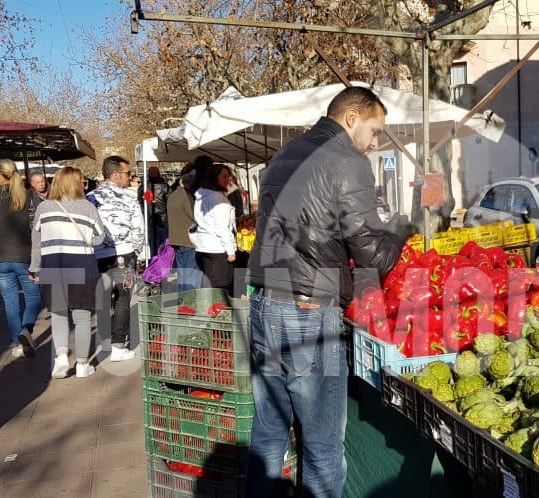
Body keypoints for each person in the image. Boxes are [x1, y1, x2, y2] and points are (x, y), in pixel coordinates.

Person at [246, 86, 408, 498]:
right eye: (374, 132)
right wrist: (404, 230)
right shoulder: (346, 160)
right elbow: (371, 252)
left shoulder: (284, 154)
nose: (375, 144)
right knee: (321, 450)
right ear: (351, 118)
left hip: (265, 301)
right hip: (308, 310)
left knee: (268, 434)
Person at [30, 167, 106, 378]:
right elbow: (100, 237)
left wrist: (35, 268)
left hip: (53, 264)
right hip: (81, 263)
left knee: (58, 314)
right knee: (82, 316)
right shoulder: (88, 207)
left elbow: (36, 241)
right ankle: (82, 364)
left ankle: (61, 357)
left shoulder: (44, 207)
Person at [0, 159, 43, 359]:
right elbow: (38, 227)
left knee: (10, 302)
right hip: (25, 255)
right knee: (34, 297)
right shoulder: (29, 196)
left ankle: (16, 342)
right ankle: (26, 330)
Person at [87, 155, 143, 362]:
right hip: (124, 253)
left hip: (99, 255)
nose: (130, 178)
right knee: (122, 299)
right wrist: (137, 253)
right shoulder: (128, 197)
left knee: (105, 298)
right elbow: (138, 228)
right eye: (128, 173)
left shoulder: (90, 197)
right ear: (116, 174)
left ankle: (106, 338)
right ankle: (118, 345)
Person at [191, 163, 236, 292]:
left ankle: (211, 309)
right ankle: (220, 311)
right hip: (217, 249)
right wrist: (231, 251)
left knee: (210, 286)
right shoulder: (218, 199)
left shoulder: (202, 196)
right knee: (221, 288)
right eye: (223, 176)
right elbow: (222, 227)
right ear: (213, 177)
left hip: (204, 246)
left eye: (229, 176)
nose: (227, 179)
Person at [167, 162, 203, 291]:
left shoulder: (174, 194)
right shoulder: (185, 196)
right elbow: (195, 216)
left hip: (177, 239)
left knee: (183, 274)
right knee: (191, 275)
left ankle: (184, 302)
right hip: (188, 241)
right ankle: (190, 303)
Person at [142, 166, 170, 252]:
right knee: (163, 245)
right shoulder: (165, 187)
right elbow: (170, 202)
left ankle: (154, 263)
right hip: (162, 220)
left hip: (149, 219)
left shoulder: (143, 187)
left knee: (153, 246)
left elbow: (140, 202)